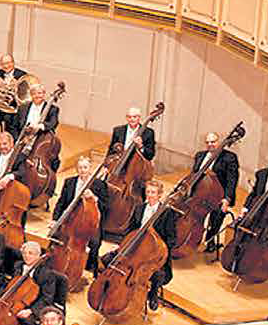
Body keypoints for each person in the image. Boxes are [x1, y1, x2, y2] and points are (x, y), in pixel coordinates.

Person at [105, 180, 177, 311]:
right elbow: (130, 230)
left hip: (154, 254)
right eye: (148, 192)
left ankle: (153, 294)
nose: (150, 195)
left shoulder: (167, 213)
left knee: (158, 275)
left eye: (153, 192)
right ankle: (112, 288)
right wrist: (122, 246)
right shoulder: (139, 208)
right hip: (134, 249)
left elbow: (172, 239)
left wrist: (159, 251)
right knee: (107, 259)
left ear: (159, 195)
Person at [52, 156, 109, 275]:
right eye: (80, 168)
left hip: (90, 222)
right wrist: (55, 219)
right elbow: (61, 202)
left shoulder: (99, 184)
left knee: (94, 243)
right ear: (76, 169)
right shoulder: (69, 182)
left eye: (85, 167)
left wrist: (94, 198)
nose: (82, 170)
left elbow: (105, 206)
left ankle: (89, 268)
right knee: (57, 237)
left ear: (90, 168)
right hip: (70, 219)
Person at [191, 132, 240, 254]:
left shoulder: (229, 157)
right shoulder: (200, 155)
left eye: (213, 142)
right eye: (207, 142)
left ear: (219, 142)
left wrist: (227, 199)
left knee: (217, 217)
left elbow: (232, 180)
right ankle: (193, 238)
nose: (210, 144)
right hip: (200, 194)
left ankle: (210, 240)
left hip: (218, 196)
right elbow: (194, 174)